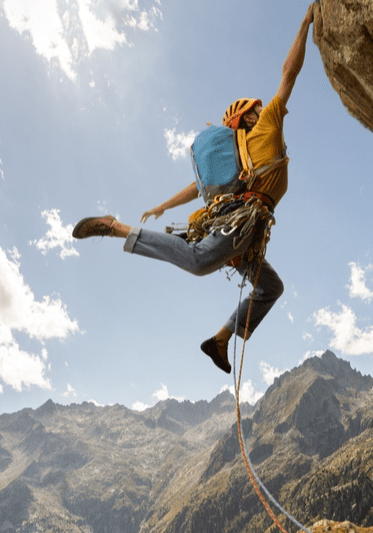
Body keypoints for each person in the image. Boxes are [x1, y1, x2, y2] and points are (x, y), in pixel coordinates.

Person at [72, 4, 318, 373]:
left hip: (248, 230)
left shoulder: (249, 146)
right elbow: (289, 73)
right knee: (200, 260)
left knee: (271, 287)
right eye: (255, 109)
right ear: (246, 119)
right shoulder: (264, 129)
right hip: (239, 223)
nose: (262, 108)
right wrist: (303, 24)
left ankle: (220, 341)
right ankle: (116, 227)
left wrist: (162, 206)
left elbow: (196, 187)